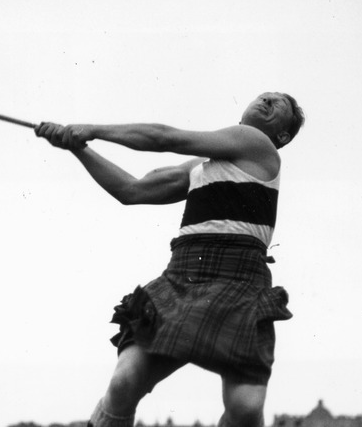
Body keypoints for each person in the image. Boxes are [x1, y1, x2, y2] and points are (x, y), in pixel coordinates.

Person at [34, 92, 305, 427]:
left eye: (279, 104)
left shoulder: (257, 144)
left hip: (240, 280)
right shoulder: (198, 170)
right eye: (264, 96)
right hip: (184, 274)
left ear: (282, 137)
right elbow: (131, 190)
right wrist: (78, 148)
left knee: (246, 408)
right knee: (124, 382)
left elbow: (165, 138)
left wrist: (90, 130)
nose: (267, 100)